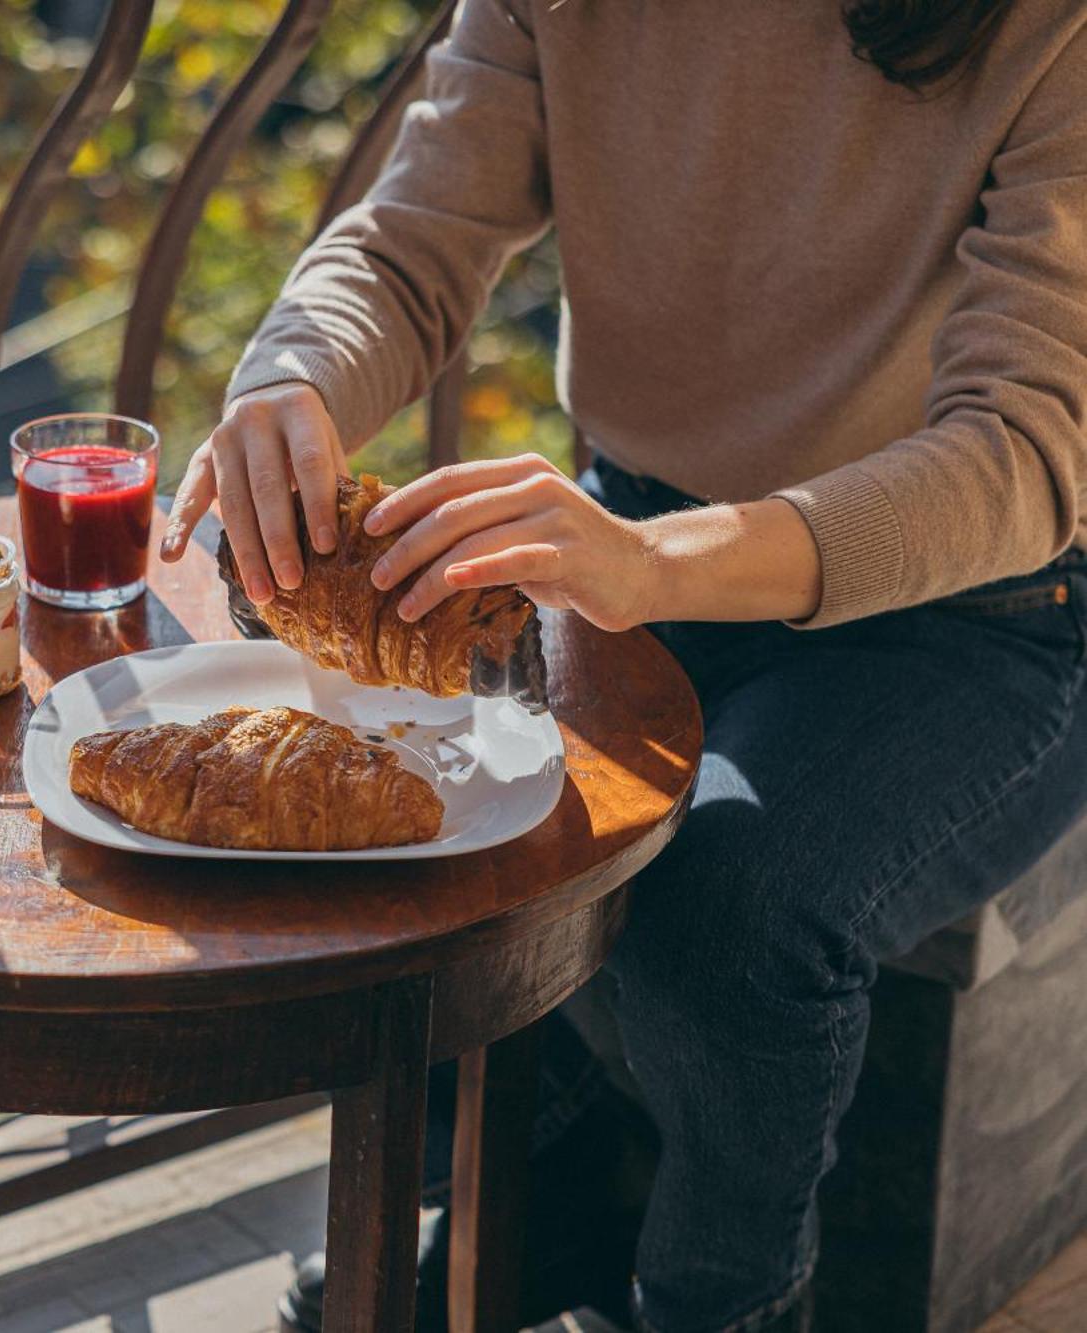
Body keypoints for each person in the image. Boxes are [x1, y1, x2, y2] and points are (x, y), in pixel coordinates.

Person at [158, 1, 1087, 1330]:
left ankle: (721, 1300)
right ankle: (539, 1185)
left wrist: (653, 568)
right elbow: (417, 238)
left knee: (730, 903)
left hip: (980, 607)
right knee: (450, 824)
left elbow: (1023, 454)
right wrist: (291, 381)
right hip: (639, 532)